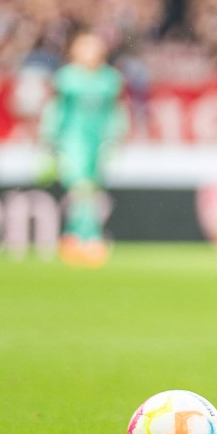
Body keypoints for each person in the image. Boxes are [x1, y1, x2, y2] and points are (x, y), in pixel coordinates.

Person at [40, 31, 128, 267]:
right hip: (73, 140)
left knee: (91, 190)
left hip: (98, 141)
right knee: (81, 189)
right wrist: (50, 139)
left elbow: (115, 112)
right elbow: (56, 111)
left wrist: (116, 136)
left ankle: (76, 237)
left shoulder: (110, 79)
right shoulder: (67, 78)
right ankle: (88, 238)